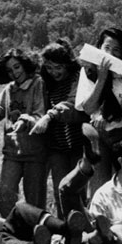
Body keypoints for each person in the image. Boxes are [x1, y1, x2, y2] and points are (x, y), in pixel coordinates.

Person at [75, 28, 122, 191]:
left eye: (116, 50)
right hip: (99, 135)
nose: (110, 54)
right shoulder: (89, 71)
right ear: (99, 48)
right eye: (106, 48)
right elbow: (88, 108)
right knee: (100, 185)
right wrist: (102, 78)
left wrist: (109, 116)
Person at [29, 39, 86, 216]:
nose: (54, 72)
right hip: (57, 148)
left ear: (67, 64)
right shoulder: (46, 83)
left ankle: (83, 232)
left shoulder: (78, 78)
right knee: (60, 190)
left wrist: (50, 115)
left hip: (78, 145)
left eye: (58, 67)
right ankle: (64, 232)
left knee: (79, 190)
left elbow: (71, 103)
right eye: (49, 68)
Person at [0, 48, 47, 217]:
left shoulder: (38, 83)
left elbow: (40, 114)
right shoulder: (9, 89)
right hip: (12, 152)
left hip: (35, 152)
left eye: (17, 67)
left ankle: (34, 237)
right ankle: (12, 230)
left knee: (34, 203)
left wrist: (25, 119)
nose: (14, 73)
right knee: (5, 197)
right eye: (9, 70)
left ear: (24, 65)